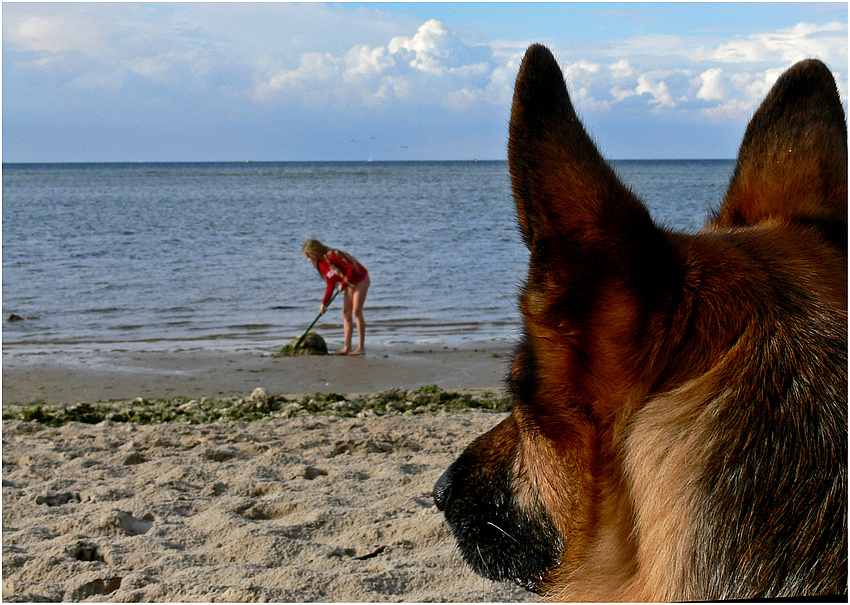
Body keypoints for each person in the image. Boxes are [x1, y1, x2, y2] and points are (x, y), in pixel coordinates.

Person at [302, 239, 370, 355]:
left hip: (360, 279)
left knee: (356, 311)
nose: (309, 260)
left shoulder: (332, 256)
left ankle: (361, 348)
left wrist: (343, 284)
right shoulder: (320, 264)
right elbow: (330, 284)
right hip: (349, 282)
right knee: (346, 313)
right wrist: (324, 303)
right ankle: (347, 347)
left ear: (315, 251)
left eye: (309, 256)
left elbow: (351, 269)